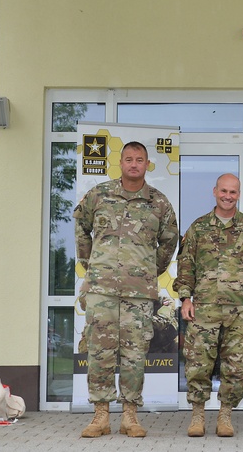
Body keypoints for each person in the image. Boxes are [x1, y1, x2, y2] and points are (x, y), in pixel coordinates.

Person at [74, 141, 179, 438]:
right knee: (100, 351)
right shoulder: (99, 194)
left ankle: (130, 415)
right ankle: (101, 414)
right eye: (129, 159)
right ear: (121, 162)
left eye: (140, 160)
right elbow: (81, 226)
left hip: (139, 293)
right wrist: (89, 261)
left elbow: (169, 241)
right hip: (101, 289)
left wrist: (149, 270)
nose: (134, 164)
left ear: (147, 164)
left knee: (134, 354)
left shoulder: (158, 202)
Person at [174, 173, 243, 437]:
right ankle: (198, 415)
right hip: (203, 309)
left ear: (239, 194)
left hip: (238, 311)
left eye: (233, 192)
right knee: (198, 363)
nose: (228, 196)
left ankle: (225, 415)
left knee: (235, 365)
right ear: (214, 191)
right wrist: (186, 297)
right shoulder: (198, 228)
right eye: (223, 191)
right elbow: (186, 264)